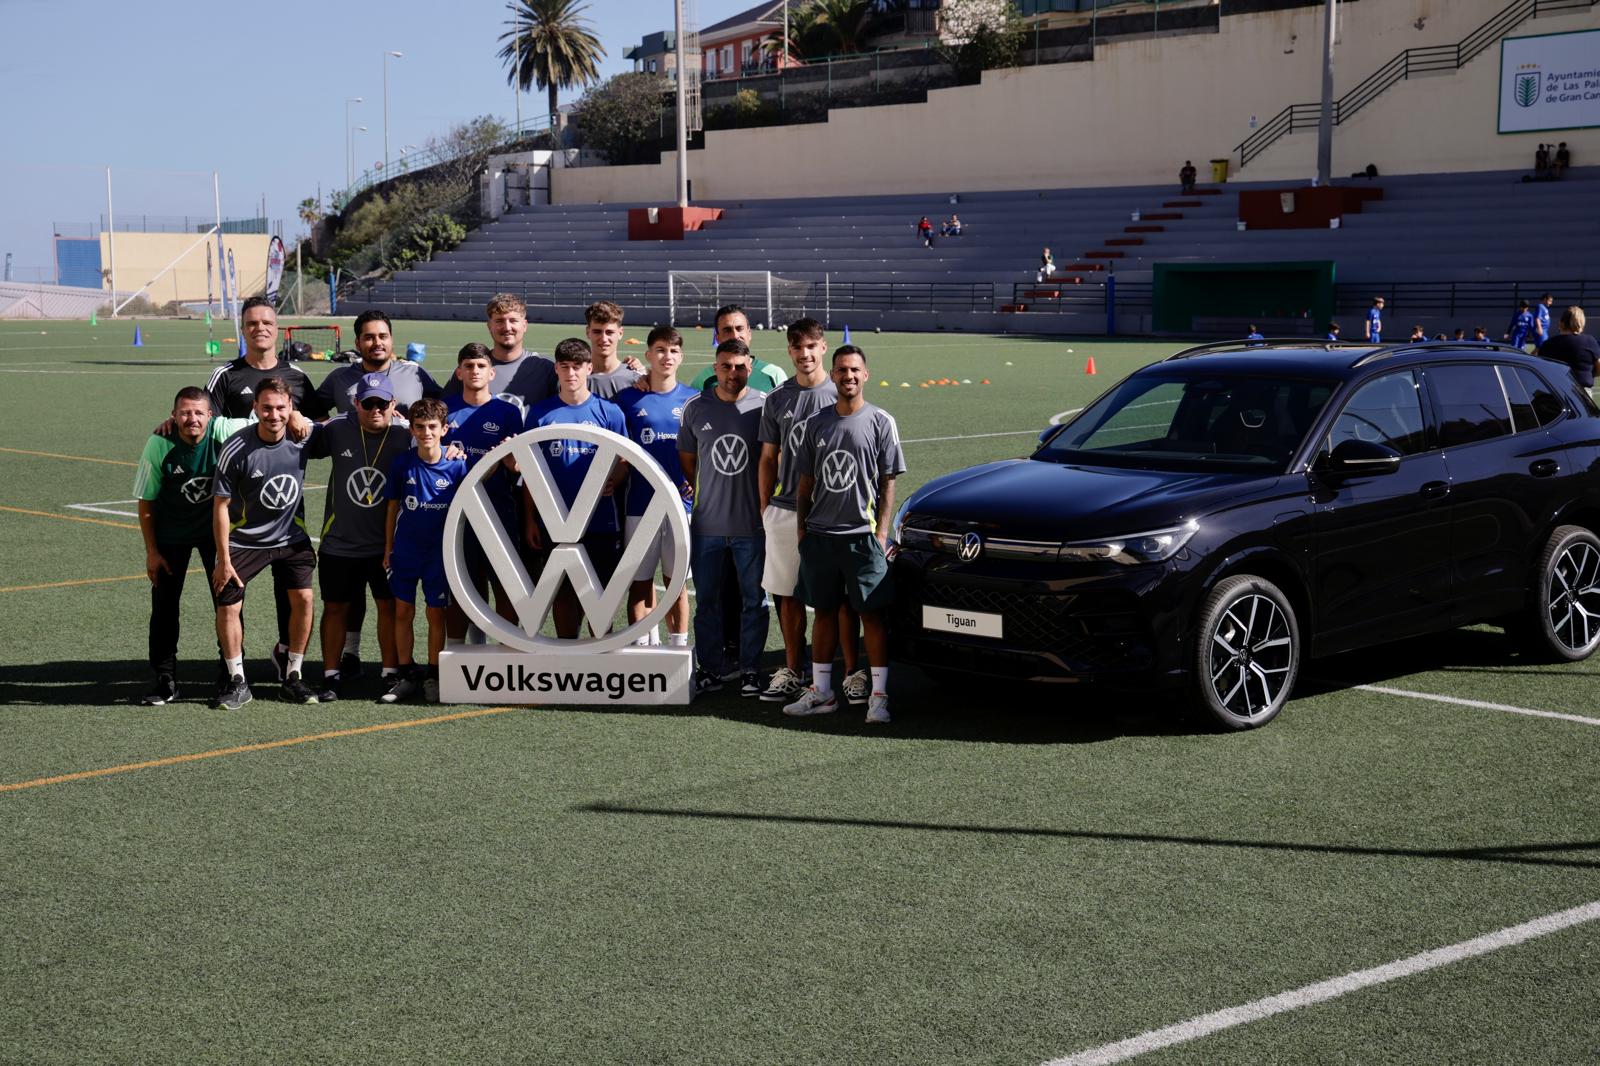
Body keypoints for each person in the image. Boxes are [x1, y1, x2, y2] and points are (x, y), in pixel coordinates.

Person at [205, 295, 331, 682]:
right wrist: (169, 422)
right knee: (229, 591)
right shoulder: (226, 375)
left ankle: (284, 657)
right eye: (252, 323)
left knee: (291, 591)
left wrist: (298, 415)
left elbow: (320, 424)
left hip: (286, 512)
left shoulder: (296, 375)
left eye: (267, 323)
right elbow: (200, 414)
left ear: (277, 329)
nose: (260, 328)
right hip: (241, 508)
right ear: (243, 329)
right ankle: (234, 667)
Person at [783, 345, 905, 725]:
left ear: (865, 375)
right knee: (823, 613)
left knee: (871, 615)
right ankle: (822, 691)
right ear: (832, 375)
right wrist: (803, 531)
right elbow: (805, 484)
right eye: (841, 370)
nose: (848, 376)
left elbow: (888, 485)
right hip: (820, 537)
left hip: (863, 537)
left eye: (854, 370)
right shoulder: (816, 424)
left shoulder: (882, 421)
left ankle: (879, 696)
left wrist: (882, 533)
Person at [757, 318, 868, 705]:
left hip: (831, 513)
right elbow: (767, 458)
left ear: (823, 348)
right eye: (797, 347)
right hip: (786, 510)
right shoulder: (778, 399)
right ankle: (793, 668)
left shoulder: (838, 392)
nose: (804, 354)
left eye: (811, 347)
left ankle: (852, 671)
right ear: (789, 351)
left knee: (836, 598)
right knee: (787, 595)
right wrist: (765, 506)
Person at [134, 387, 258, 704]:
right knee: (164, 608)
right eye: (185, 413)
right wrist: (152, 552)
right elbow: (146, 502)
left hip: (214, 534)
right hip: (171, 535)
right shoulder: (159, 444)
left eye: (198, 412)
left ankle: (229, 675)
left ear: (210, 416)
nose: (192, 418)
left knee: (227, 600)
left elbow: (268, 418)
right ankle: (165, 680)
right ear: (173, 416)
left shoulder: (224, 432)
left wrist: (297, 416)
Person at [210, 378, 322, 709]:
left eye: (281, 408)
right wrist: (224, 559)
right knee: (228, 603)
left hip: (291, 538)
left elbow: (342, 429)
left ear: (291, 409)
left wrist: (301, 417)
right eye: (267, 408)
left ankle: (293, 675)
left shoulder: (303, 436)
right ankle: (237, 680)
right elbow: (220, 507)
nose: (274, 415)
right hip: (246, 539)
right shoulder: (236, 448)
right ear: (255, 408)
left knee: (304, 597)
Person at [305, 373, 412, 701]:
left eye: (382, 403)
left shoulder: (406, 434)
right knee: (335, 608)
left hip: (386, 546)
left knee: (388, 608)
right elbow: (297, 436)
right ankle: (331, 675)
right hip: (340, 542)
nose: (375, 409)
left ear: (393, 404)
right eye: (368, 403)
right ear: (356, 403)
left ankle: (390, 673)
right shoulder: (337, 428)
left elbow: (439, 441)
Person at [679, 338, 769, 697]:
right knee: (709, 602)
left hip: (752, 527)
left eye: (741, 366)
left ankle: (749, 670)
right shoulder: (695, 408)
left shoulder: (764, 407)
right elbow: (688, 462)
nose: (734, 373)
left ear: (751, 367)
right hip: (707, 528)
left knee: (754, 602)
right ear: (715, 368)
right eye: (726, 366)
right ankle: (712, 670)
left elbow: (772, 462)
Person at [522, 338, 630, 639]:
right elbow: (532, 470)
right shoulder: (540, 414)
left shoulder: (609, 413)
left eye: (577, 367)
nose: (571, 374)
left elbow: (626, 460)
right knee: (562, 592)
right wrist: (530, 518)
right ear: (556, 368)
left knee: (599, 592)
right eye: (565, 367)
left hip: (600, 518)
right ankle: (567, 654)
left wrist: (615, 478)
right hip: (553, 517)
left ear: (589, 368)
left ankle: (601, 657)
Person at [613, 326, 698, 647]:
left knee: (676, 584)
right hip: (639, 504)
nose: (667, 356)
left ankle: (678, 649)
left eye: (674, 351)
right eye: (660, 350)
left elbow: (702, 448)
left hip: (681, 506)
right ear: (648, 355)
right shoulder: (629, 398)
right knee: (640, 581)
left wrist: (696, 478)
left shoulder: (691, 399)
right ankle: (643, 647)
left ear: (681, 357)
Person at [381, 398, 468, 703]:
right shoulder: (402, 463)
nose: (426, 433)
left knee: (435, 613)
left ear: (444, 429)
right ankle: (405, 675)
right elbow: (392, 506)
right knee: (403, 611)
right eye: (420, 427)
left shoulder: (458, 463)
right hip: (406, 551)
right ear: (412, 430)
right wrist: (388, 548)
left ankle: (434, 676)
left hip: (439, 554)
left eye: (432, 427)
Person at [443, 343, 525, 641]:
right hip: (455, 512)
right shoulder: (446, 410)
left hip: (498, 509)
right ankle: (458, 650)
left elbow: (518, 467)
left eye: (480, 366)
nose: (474, 371)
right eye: (468, 366)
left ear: (491, 373)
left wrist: (507, 457)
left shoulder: (507, 412)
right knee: (463, 583)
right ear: (459, 371)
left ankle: (507, 649)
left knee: (505, 581)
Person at [315, 309, 442, 418]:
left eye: (383, 336)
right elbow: (312, 410)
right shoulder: (339, 378)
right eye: (369, 337)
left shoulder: (415, 373)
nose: (377, 343)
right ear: (358, 343)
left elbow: (445, 407)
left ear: (391, 339)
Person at [441, 293, 557, 410]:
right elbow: (443, 411)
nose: (507, 328)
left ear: (524, 325)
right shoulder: (473, 368)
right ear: (489, 326)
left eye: (513, 321)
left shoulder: (545, 368)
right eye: (499, 321)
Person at [582, 300, 647, 399]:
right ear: (588, 332)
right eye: (597, 332)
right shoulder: (575, 378)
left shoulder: (638, 379)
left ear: (620, 333)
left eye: (609, 332)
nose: (604, 339)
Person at [1538, 306, 1600, 396]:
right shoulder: (1589, 341)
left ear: (1561, 323)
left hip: (1553, 392)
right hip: (1581, 393)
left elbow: (1541, 370)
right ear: (1581, 323)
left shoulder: (1547, 344)